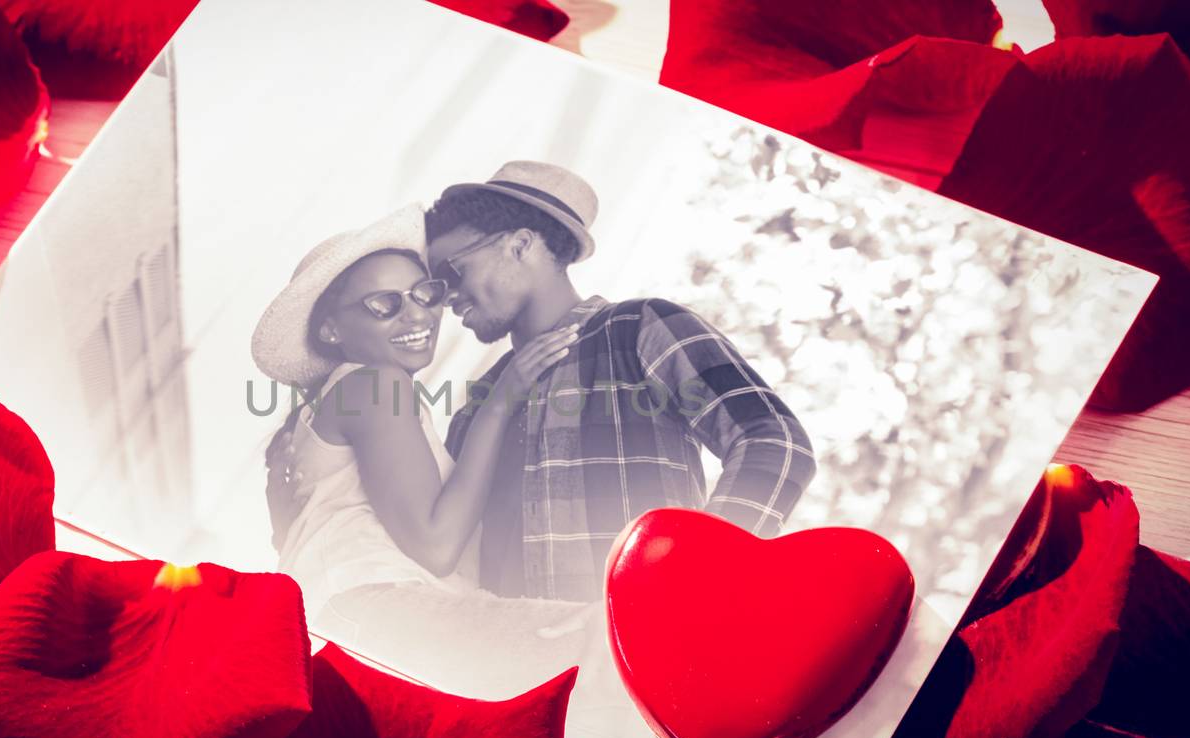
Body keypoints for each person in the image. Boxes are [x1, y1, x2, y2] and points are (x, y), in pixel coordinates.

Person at [424, 161, 818, 601]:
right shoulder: (482, 402)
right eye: (434, 285)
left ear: (520, 245)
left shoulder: (638, 328)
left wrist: (693, 581)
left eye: (452, 272)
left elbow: (776, 442)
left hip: (636, 654)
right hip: (512, 659)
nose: (446, 297)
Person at [250, 205, 579, 617]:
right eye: (384, 304)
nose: (418, 314)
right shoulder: (376, 384)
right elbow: (436, 547)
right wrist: (500, 401)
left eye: (425, 293)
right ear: (331, 330)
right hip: (384, 607)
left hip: (353, 613)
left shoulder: (341, 400)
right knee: (591, 643)